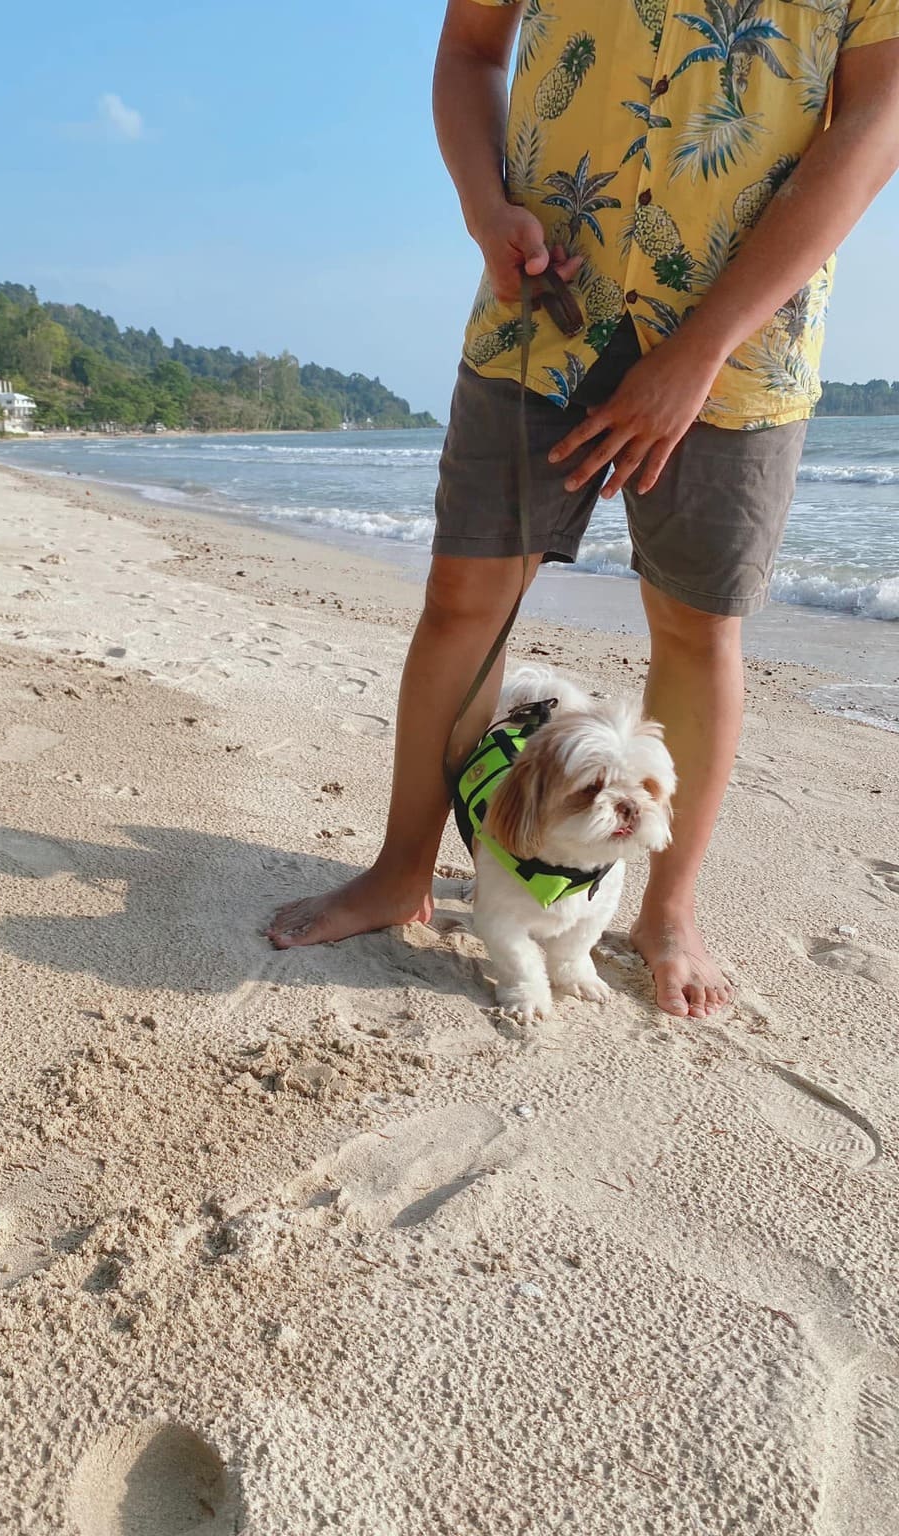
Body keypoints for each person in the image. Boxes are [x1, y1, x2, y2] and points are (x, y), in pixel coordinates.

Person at [269, 0, 899, 1019]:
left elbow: (878, 117)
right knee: (464, 601)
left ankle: (668, 912)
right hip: (542, 306)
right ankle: (400, 870)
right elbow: (471, 46)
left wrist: (702, 348)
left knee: (699, 628)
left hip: (747, 339)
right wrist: (485, 209)